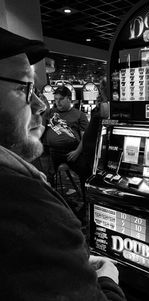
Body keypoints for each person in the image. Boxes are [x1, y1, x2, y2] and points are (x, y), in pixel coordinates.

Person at [0, 27, 126, 301]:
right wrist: (106, 281)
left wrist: (69, 264)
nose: (41, 104)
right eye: (24, 86)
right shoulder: (31, 211)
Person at [43, 85, 89, 186]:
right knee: (44, 176)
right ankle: (51, 197)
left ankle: (85, 198)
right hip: (52, 152)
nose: (57, 102)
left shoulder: (79, 115)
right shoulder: (51, 112)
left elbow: (85, 137)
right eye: (55, 99)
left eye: (61, 99)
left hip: (72, 152)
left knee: (85, 172)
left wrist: (77, 152)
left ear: (69, 99)